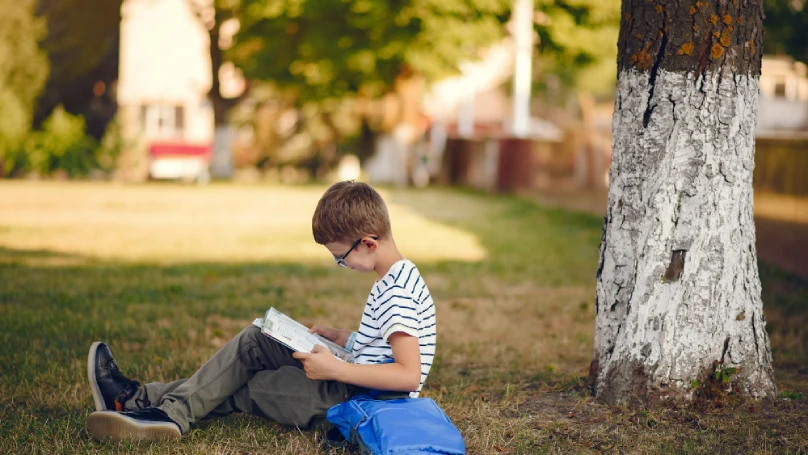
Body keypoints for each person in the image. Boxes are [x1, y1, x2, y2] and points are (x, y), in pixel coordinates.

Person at [86, 181, 437, 442]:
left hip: (352, 399)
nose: (339, 264)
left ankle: (153, 410)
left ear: (368, 243)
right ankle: (137, 401)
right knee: (256, 339)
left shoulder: (396, 293)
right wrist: (345, 338)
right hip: (347, 377)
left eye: (340, 258)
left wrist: (337, 368)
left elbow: (407, 375)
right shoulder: (397, 276)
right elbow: (387, 346)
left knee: (244, 384)